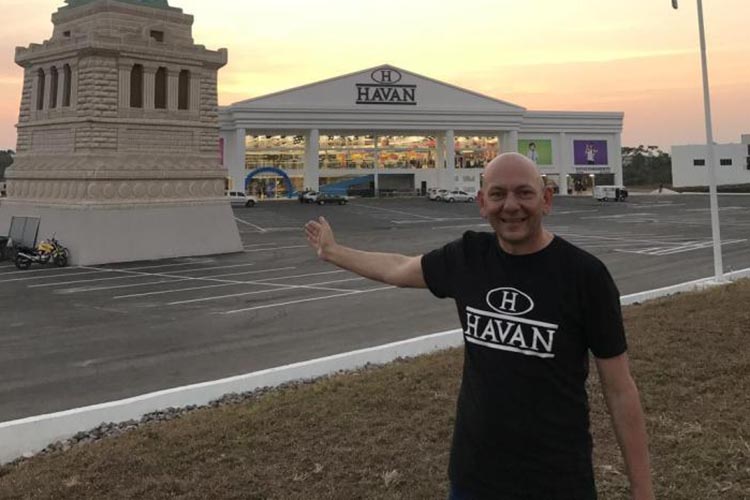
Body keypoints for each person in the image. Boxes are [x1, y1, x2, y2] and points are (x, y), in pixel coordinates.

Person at [304, 153, 654, 500]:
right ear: (482, 203)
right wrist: (333, 252)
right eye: (498, 194)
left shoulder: (585, 277)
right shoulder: (468, 257)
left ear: (546, 200)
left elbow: (620, 390)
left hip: (558, 482)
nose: (511, 206)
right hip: (474, 479)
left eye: (524, 193)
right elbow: (398, 268)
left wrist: (642, 491)